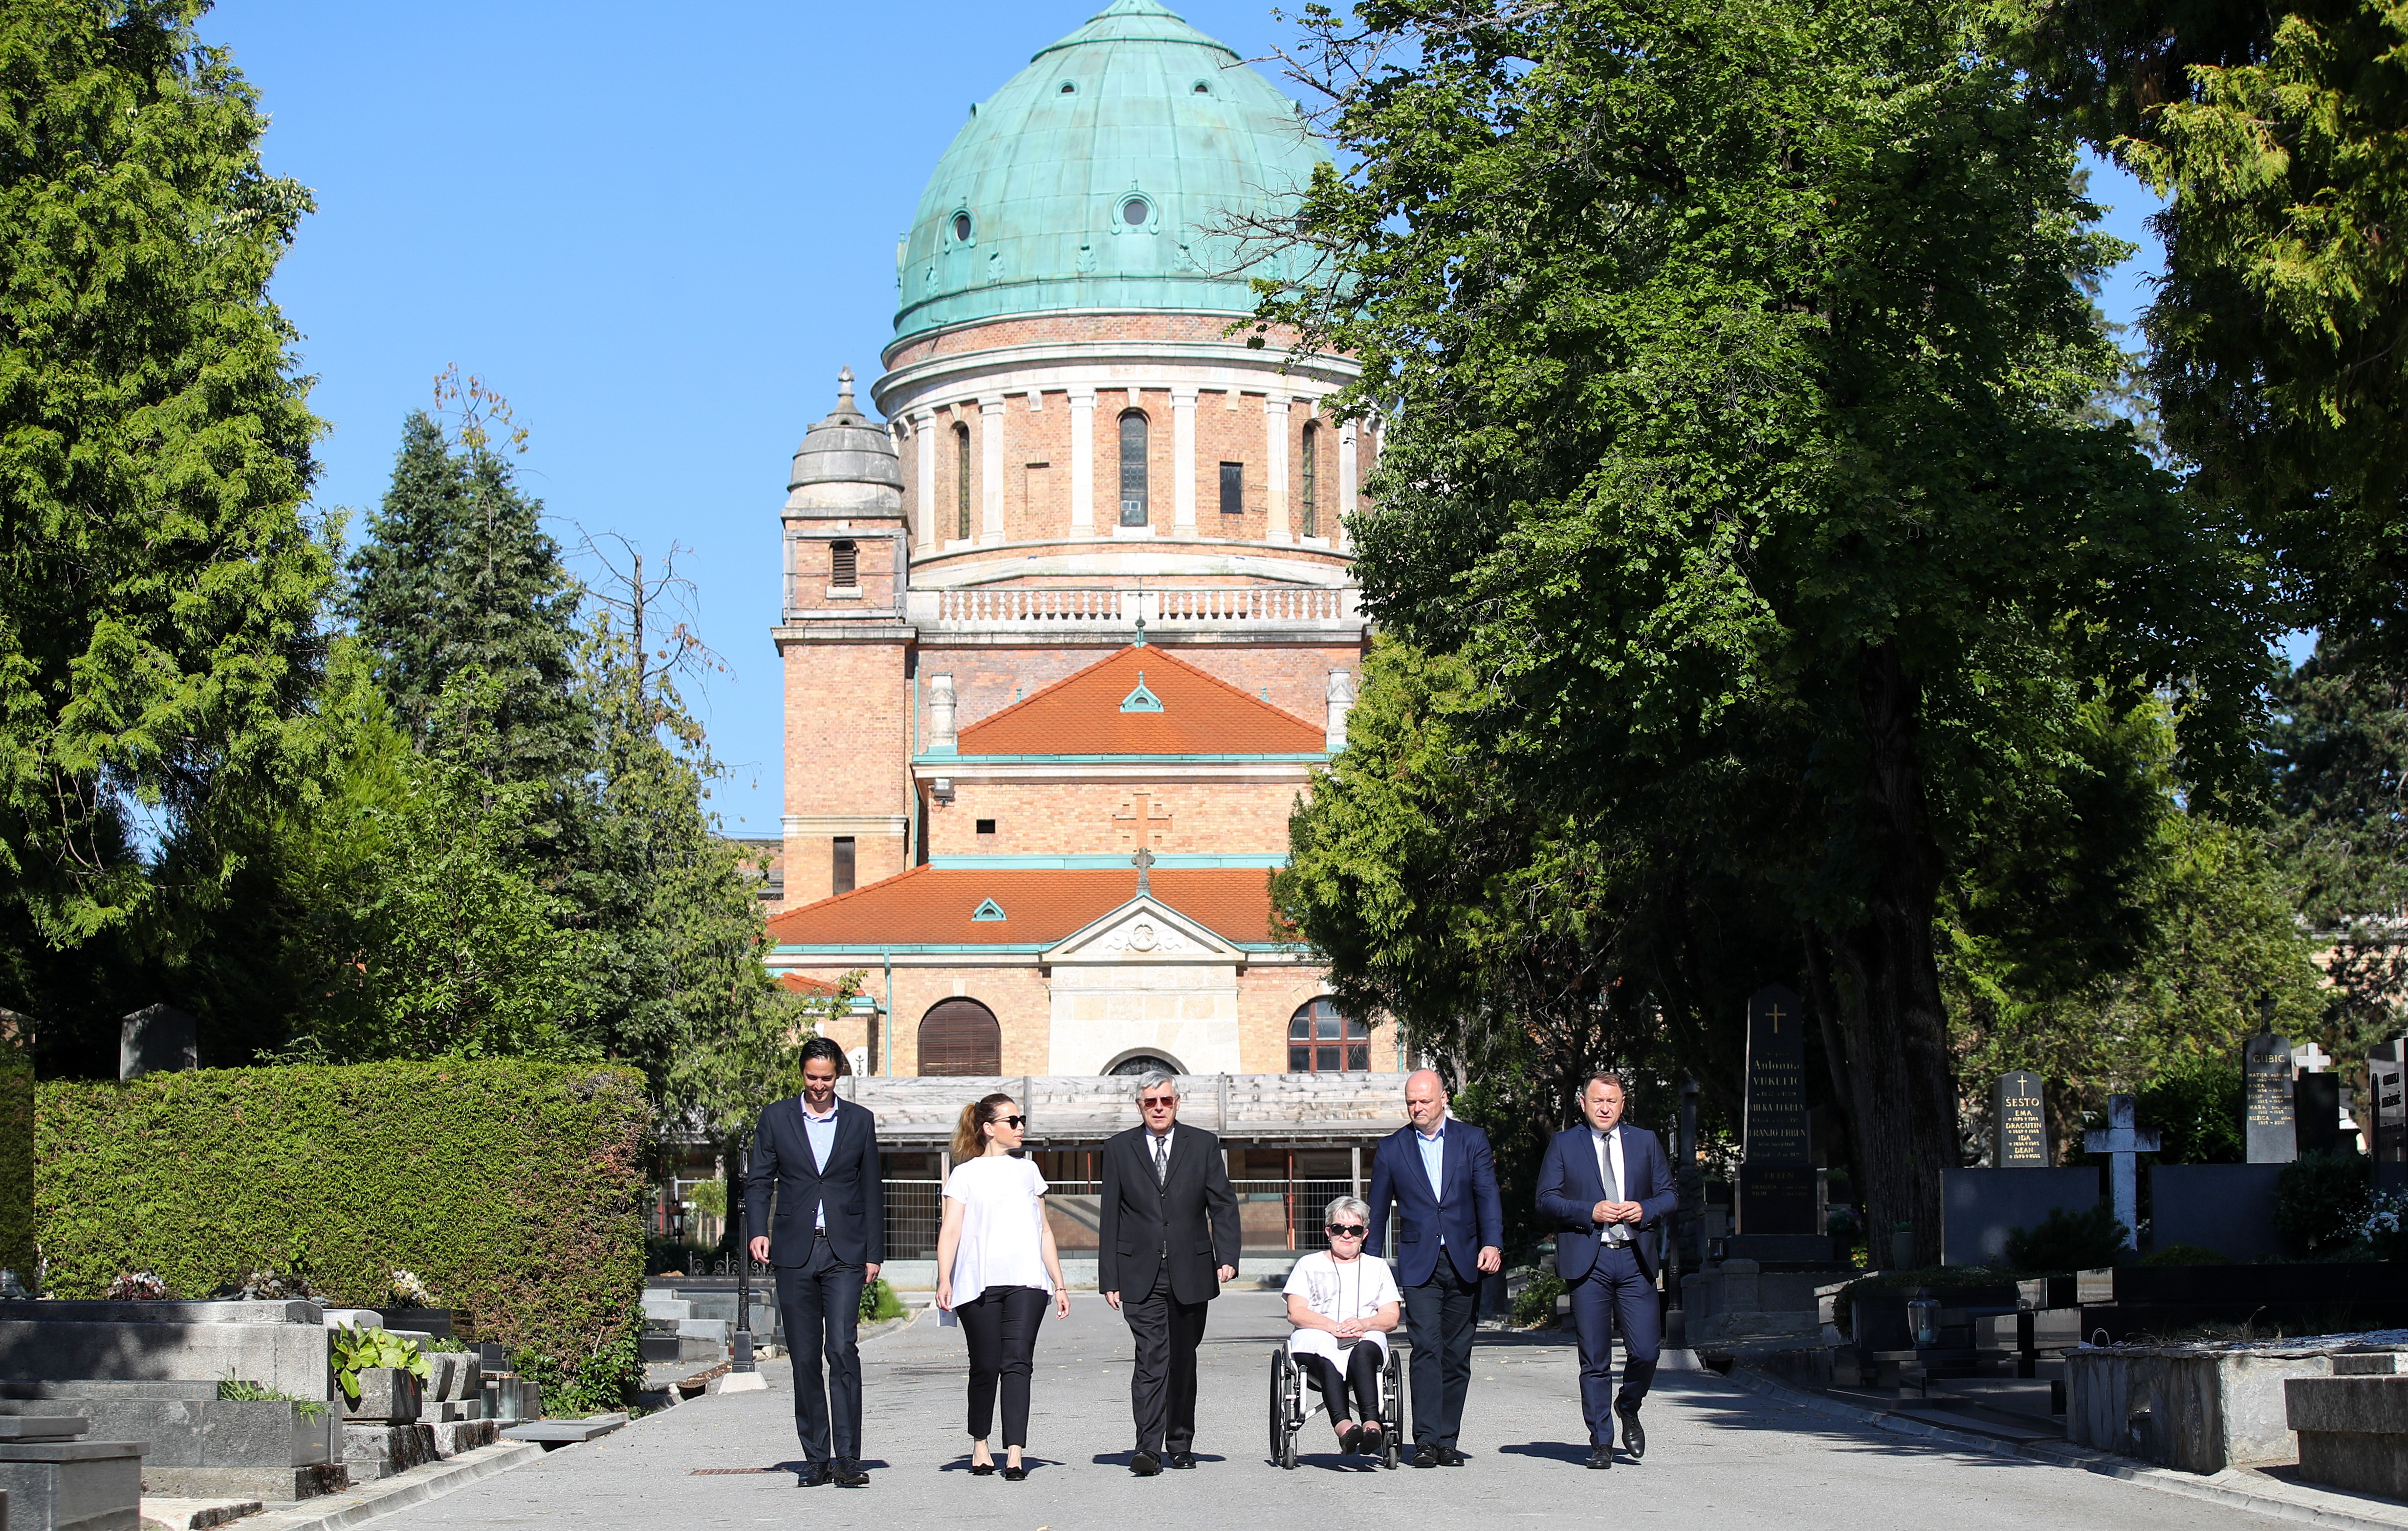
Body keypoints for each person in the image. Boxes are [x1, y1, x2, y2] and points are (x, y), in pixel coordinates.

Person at [744, 1036, 885, 1488]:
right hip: (795, 1249)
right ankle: (816, 1457)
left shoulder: (860, 1121)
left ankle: (848, 1457)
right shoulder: (776, 1118)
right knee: (804, 1356)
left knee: (842, 1348)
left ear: (838, 1076)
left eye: (827, 1078)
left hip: (845, 1250)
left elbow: (871, 1189)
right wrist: (758, 1230)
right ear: (801, 1074)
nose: (819, 1085)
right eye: (812, 1077)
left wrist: (873, 1253)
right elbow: (759, 1179)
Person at [1096, 1069, 1241, 1475]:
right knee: (1151, 1357)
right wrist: (1110, 1276)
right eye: (1150, 1102)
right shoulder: (1119, 1148)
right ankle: (1147, 1447)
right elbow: (1111, 1216)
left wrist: (1227, 1255)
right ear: (1139, 1106)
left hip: (1192, 1270)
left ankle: (1180, 1442)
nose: (1158, 1108)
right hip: (1139, 1272)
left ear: (1178, 1103)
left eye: (1165, 1101)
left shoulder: (1204, 1145)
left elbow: (1223, 1204)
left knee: (1182, 1358)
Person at [1534, 1069, 1678, 1469]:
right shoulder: (1565, 1144)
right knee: (1594, 1358)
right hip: (1589, 1260)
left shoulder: (1645, 1141)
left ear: (1622, 1104)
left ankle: (1628, 1405)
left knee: (1646, 1351)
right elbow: (1545, 1199)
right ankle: (1601, 1441)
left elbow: (1669, 1194)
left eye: (1611, 1101)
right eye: (1597, 1100)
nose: (1604, 1108)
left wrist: (1645, 1209)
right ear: (1583, 1102)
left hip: (1634, 1258)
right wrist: (1589, 1211)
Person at [1364, 1068, 1503, 1467]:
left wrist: (1492, 1243)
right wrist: (1372, 1271)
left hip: (1465, 1258)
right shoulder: (1393, 1148)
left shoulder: (1471, 1140)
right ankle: (1424, 1439)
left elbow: (1487, 1196)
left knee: (1457, 1354)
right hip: (1419, 1263)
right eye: (1411, 1102)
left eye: (1424, 1100)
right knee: (1426, 1348)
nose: (1417, 1108)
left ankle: (1448, 1439)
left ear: (1443, 1098)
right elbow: (1377, 1211)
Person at [935, 1093, 1071, 1482]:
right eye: (1013, 1120)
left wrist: (1059, 1283)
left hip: (1027, 1280)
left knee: (1018, 1363)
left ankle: (1015, 1451)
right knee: (985, 1365)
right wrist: (945, 1278)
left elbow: (1044, 1230)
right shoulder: (964, 1174)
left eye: (1021, 1119)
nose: (1020, 1126)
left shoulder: (1029, 1171)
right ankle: (981, 1442)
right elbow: (951, 1231)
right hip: (977, 1283)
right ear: (988, 1127)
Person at [1284, 1195, 1402, 1456]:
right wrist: (1331, 1327)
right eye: (1339, 1228)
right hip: (1317, 1336)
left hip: (1364, 1336)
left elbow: (1392, 1317)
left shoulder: (1378, 1267)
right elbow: (1296, 1312)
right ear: (1328, 1231)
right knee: (1326, 1349)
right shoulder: (1308, 1265)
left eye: (1355, 1230)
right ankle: (1345, 1428)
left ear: (1365, 1234)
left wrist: (1365, 1323)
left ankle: (1373, 1425)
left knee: (1364, 1349)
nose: (1347, 1235)